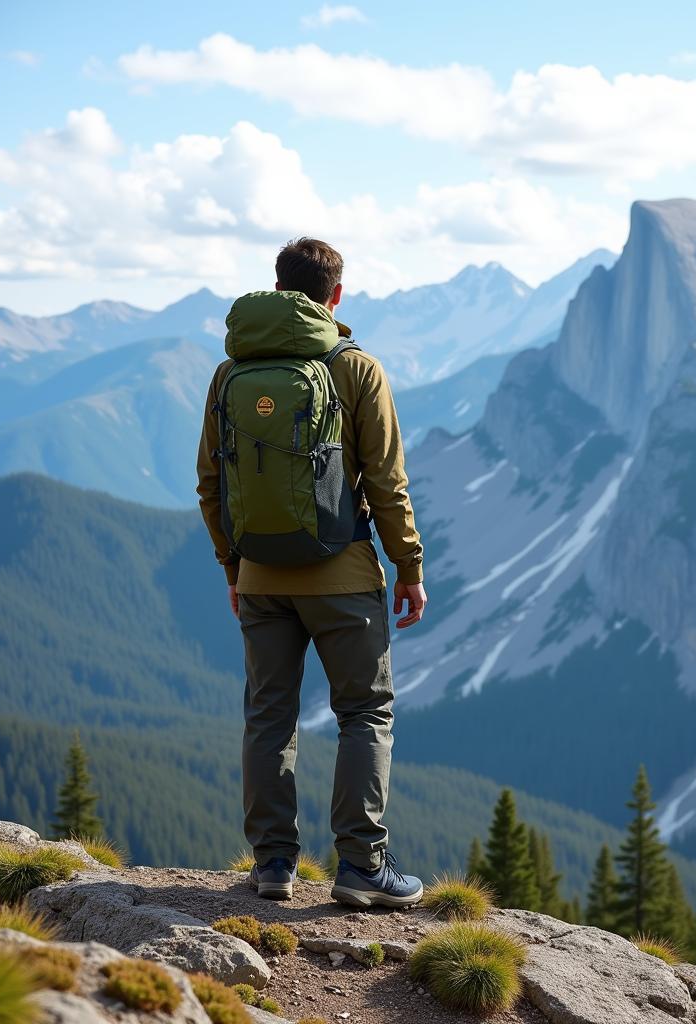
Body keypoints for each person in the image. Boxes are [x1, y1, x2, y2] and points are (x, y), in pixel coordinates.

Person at [196, 237, 428, 908]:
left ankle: (272, 865)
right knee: (363, 711)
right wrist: (408, 565)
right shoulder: (356, 368)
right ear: (335, 295)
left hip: (262, 578)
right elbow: (386, 482)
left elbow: (210, 484)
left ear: (277, 286)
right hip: (344, 574)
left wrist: (233, 567)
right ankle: (361, 868)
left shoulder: (229, 372)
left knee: (269, 717)